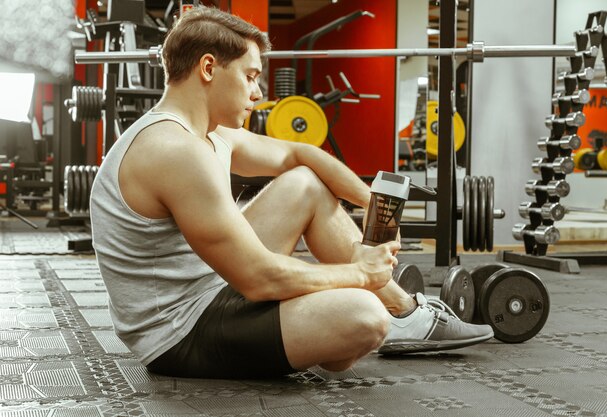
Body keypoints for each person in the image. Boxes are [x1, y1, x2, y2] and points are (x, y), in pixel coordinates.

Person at [90, 6, 493, 380]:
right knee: (365, 317)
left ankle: (406, 315)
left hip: (212, 287)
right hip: (179, 333)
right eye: (249, 76)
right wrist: (358, 275)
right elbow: (259, 279)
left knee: (305, 183)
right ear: (209, 68)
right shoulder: (175, 150)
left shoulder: (210, 133)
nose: (257, 92)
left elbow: (298, 154)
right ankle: (375, 314)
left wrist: (371, 204)